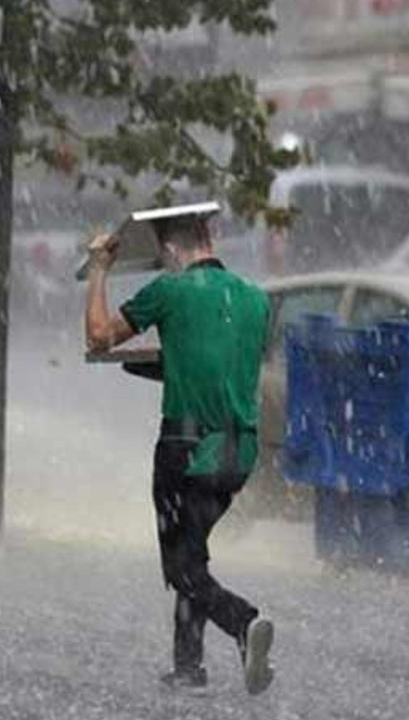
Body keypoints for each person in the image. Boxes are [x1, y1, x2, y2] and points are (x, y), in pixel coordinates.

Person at [84, 211, 275, 695]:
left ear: (170, 250)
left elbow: (99, 336)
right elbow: (224, 364)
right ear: (210, 237)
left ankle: (242, 622)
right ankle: (188, 666)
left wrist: (100, 269)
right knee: (193, 552)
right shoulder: (256, 299)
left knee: (181, 567)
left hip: (186, 450)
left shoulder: (169, 292)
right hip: (239, 453)